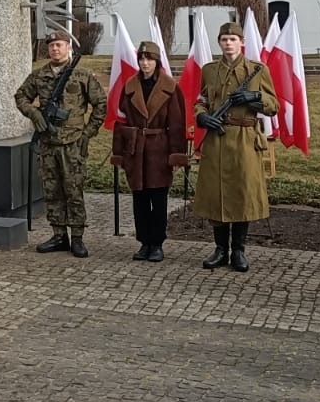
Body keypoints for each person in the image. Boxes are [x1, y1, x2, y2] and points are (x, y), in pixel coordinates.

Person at [192, 21, 278, 273]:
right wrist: (201, 116)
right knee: (216, 193)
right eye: (224, 39)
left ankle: (238, 250)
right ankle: (220, 249)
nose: (228, 43)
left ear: (242, 42)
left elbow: (274, 106)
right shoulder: (209, 70)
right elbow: (201, 100)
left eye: (233, 39)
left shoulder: (257, 70)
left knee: (242, 194)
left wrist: (255, 97)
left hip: (244, 139)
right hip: (217, 138)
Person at [14, 27, 106, 258]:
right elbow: (21, 96)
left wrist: (87, 133)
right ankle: (58, 235)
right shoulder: (39, 75)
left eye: (59, 45)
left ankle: (77, 237)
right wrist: (34, 113)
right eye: (51, 46)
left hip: (73, 143)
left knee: (73, 190)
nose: (55, 49)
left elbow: (101, 104)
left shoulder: (82, 75)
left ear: (68, 48)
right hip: (48, 143)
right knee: (52, 191)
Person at [110, 40, 186, 262]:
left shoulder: (170, 87)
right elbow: (121, 122)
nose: (145, 63)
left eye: (149, 59)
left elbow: (177, 124)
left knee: (158, 198)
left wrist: (176, 154)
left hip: (159, 149)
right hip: (135, 150)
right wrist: (119, 153)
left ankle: (157, 243)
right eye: (142, 59)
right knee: (140, 198)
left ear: (157, 61)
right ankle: (144, 242)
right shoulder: (130, 86)